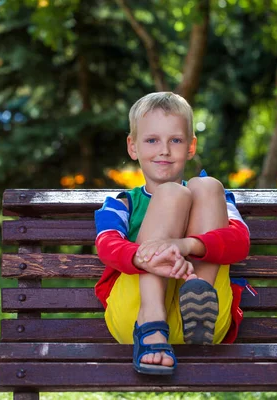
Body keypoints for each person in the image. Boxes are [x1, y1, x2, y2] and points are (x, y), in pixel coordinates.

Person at [94, 92, 251, 375]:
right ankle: (151, 321)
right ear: (133, 146)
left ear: (191, 147)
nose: (164, 150)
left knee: (207, 186)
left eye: (175, 140)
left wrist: (183, 245)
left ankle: (198, 297)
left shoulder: (218, 200)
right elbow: (106, 245)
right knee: (171, 194)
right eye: (152, 140)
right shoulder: (122, 203)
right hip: (136, 317)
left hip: (207, 323)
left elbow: (240, 243)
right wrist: (146, 257)